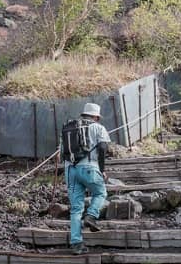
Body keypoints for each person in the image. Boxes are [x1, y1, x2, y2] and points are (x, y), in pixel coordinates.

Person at [62, 102, 110, 255]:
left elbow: (62, 151)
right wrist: (102, 170)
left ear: (84, 113)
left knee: (76, 208)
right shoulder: (98, 127)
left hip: (70, 169)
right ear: (96, 116)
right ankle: (91, 216)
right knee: (100, 193)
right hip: (88, 167)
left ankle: (76, 244)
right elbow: (102, 148)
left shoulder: (69, 127)